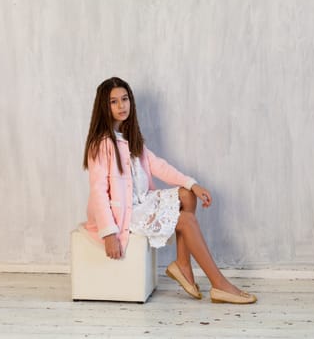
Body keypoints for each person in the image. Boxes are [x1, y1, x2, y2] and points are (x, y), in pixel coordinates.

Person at [82, 77, 256, 304]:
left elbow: (159, 166)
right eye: (113, 102)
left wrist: (192, 184)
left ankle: (182, 264)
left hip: (142, 201)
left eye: (124, 99)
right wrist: (108, 233)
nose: (121, 106)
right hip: (124, 213)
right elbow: (98, 192)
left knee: (187, 195)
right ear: (103, 107)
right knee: (186, 221)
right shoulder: (101, 144)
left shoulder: (130, 138)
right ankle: (219, 284)